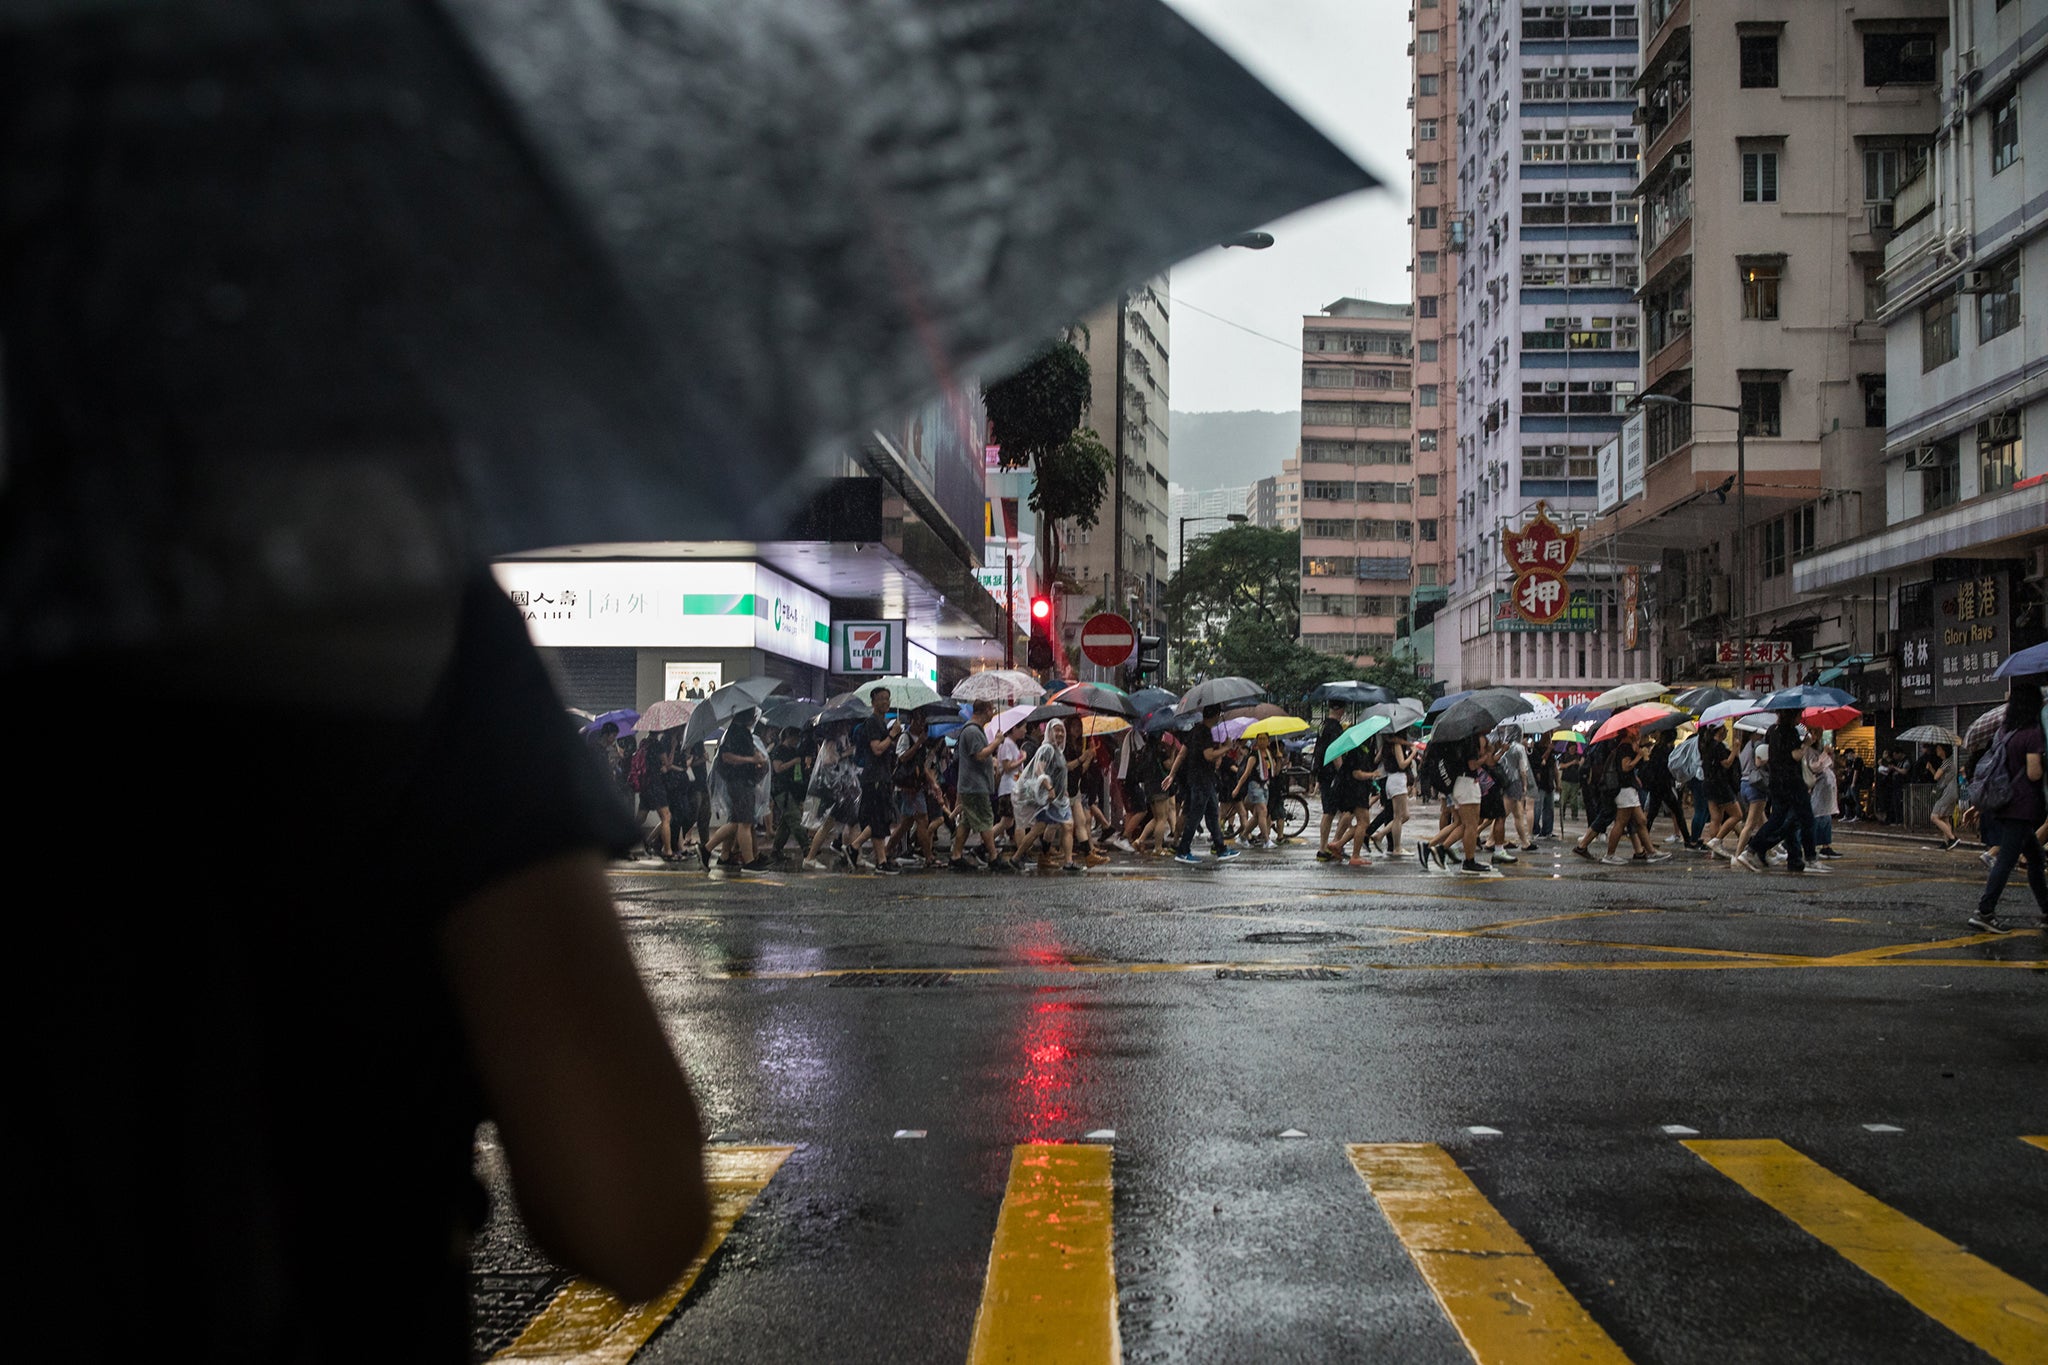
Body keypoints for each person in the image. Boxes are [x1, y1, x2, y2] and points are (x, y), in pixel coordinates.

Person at [1967, 680, 2047, 934]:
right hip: (2021, 806)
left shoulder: (2005, 731)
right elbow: (2034, 774)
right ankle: (1985, 911)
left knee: (2035, 857)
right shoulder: (2032, 732)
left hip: (2005, 803)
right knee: (2006, 860)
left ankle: (2046, 909)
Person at [1735, 712, 1814, 873]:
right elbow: (1795, 755)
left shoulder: (1772, 731)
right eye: (1799, 713)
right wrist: (1806, 744)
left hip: (1776, 782)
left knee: (1781, 819)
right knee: (1801, 819)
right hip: (1791, 783)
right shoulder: (1789, 732)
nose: (1800, 717)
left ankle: (1793, 858)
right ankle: (1809, 858)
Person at [1168, 708, 1240, 864]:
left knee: (1213, 814)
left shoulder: (1195, 731)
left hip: (1201, 779)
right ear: (1214, 715)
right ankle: (1183, 850)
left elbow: (1181, 754)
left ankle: (1220, 848)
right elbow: (1208, 756)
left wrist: (1172, 774)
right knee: (1195, 815)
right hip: (1201, 780)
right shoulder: (1205, 733)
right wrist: (1227, 748)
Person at [706, 709, 770, 874]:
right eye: (752, 714)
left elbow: (748, 754)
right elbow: (726, 757)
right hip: (739, 782)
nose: (755, 718)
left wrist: (758, 759)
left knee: (736, 823)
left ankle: (710, 851)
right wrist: (752, 760)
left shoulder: (742, 732)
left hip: (743, 781)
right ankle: (749, 862)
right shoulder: (735, 732)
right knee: (745, 822)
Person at [1015, 718, 1082, 873]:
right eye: (1056, 730)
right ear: (1049, 732)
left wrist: (1062, 789)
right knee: (1040, 829)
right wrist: (1050, 787)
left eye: (1061, 730)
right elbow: (1039, 769)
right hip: (1049, 799)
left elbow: (1058, 772)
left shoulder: (1057, 750)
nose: (1059, 733)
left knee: (1066, 826)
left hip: (1057, 799)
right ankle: (1017, 857)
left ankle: (1068, 861)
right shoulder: (1047, 749)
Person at [850, 689, 903, 872]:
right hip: (875, 778)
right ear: (873, 702)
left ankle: (855, 848)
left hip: (882, 776)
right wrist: (892, 735)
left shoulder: (881, 723)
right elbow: (877, 749)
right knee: (879, 818)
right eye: (881, 699)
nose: (885, 702)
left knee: (880, 819)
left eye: (887, 698)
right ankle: (879, 861)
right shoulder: (872, 722)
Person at [949, 699, 1004, 870]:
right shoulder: (972, 731)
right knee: (986, 819)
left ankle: (956, 855)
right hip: (975, 786)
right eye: (992, 709)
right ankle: (993, 856)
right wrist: (996, 742)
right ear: (986, 710)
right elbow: (979, 755)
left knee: (966, 822)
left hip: (973, 785)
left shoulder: (975, 730)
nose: (993, 712)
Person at [766, 726, 809, 867]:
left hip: (793, 789)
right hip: (782, 790)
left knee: (786, 823)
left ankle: (776, 849)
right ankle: (806, 847)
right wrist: (793, 763)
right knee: (795, 818)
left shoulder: (794, 751)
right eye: (795, 737)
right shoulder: (778, 751)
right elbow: (778, 769)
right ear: (788, 737)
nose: (797, 740)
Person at [1313, 706, 1348, 862]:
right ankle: (1331, 846)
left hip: (1323, 773)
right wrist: (1342, 771)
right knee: (1337, 811)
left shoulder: (1323, 726)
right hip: (1332, 774)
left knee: (1331, 811)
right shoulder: (1334, 728)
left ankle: (1329, 846)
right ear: (1339, 710)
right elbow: (1336, 751)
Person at [1805, 734, 1841, 861]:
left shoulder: (1816, 750)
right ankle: (1810, 846)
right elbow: (1815, 767)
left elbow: (1828, 765)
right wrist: (1825, 754)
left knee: (1825, 817)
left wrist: (1829, 754)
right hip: (1818, 789)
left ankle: (1825, 845)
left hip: (1826, 789)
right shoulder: (1808, 751)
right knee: (1817, 817)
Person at [1927, 744, 1961, 849]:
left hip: (1947, 793)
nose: (1937, 751)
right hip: (1952, 792)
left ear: (1943, 750)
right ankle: (1946, 842)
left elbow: (1936, 776)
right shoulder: (1949, 763)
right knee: (1945, 818)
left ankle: (1952, 838)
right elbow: (1938, 777)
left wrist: (1931, 768)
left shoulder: (1947, 762)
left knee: (1934, 816)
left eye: (1939, 749)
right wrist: (1932, 769)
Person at [1531, 735, 1558, 841]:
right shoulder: (1536, 748)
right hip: (1540, 782)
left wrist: (1557, 782)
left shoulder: (1553, 752)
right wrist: (1548, 750)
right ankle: (1536, 829)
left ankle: (1548, 830)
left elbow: (1554, 767)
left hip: (1549, 782)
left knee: (1549, 808)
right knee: (1537, 807)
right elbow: (1541, 762)